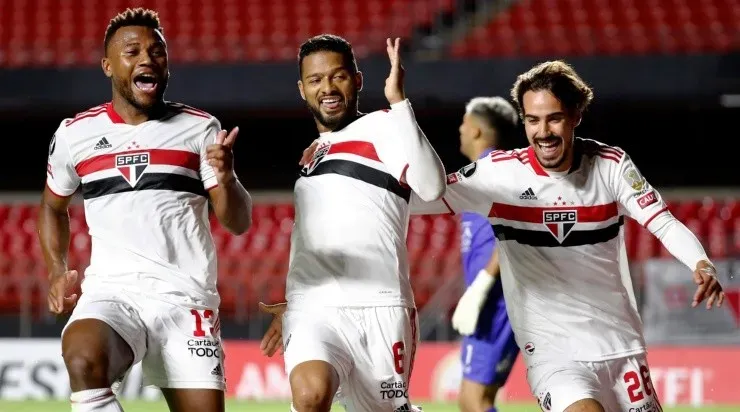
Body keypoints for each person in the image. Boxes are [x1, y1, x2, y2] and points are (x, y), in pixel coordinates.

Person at [284, 60, 726, 412]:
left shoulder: (610, 165)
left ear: (575, 116)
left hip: (621, 344)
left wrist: (700, 262)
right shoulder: (501, 175)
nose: (543, 132)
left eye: (554, 119)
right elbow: (414, 192)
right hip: (554, 353)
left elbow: (662, 221)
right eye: (533, 120)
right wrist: (334, 153)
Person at [38, 8, 252, 412]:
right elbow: (52, 206)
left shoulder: (201, 128)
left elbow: (238, 222)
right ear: (107, 65)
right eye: (132, 51)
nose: (147, 59)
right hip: (112, 292)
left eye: (157, 51)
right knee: (82, 355)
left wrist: (226, 178)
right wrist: (55, 268)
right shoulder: (75, 133)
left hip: (185, 297)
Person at [260, 34, 446, 412]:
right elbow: (311, 239)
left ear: (357, 81)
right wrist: (293, 302)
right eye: (315, 80)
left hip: (380, 306)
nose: (327, 88)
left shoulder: (384, 127)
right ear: (302, 89)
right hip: (314, 308)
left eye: (338, 76)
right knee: (310, 396)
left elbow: (431, 186)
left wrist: (399, 104)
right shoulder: (312, 156)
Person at [451, 97, 521, 412]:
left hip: (497, 301)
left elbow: (511, 235)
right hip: (489, 302)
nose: (460, 130)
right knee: (471, 401)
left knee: (475, 400)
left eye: (464, 124)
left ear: (478, 131)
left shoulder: (496, 172)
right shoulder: (479, 174)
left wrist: (481, 287)